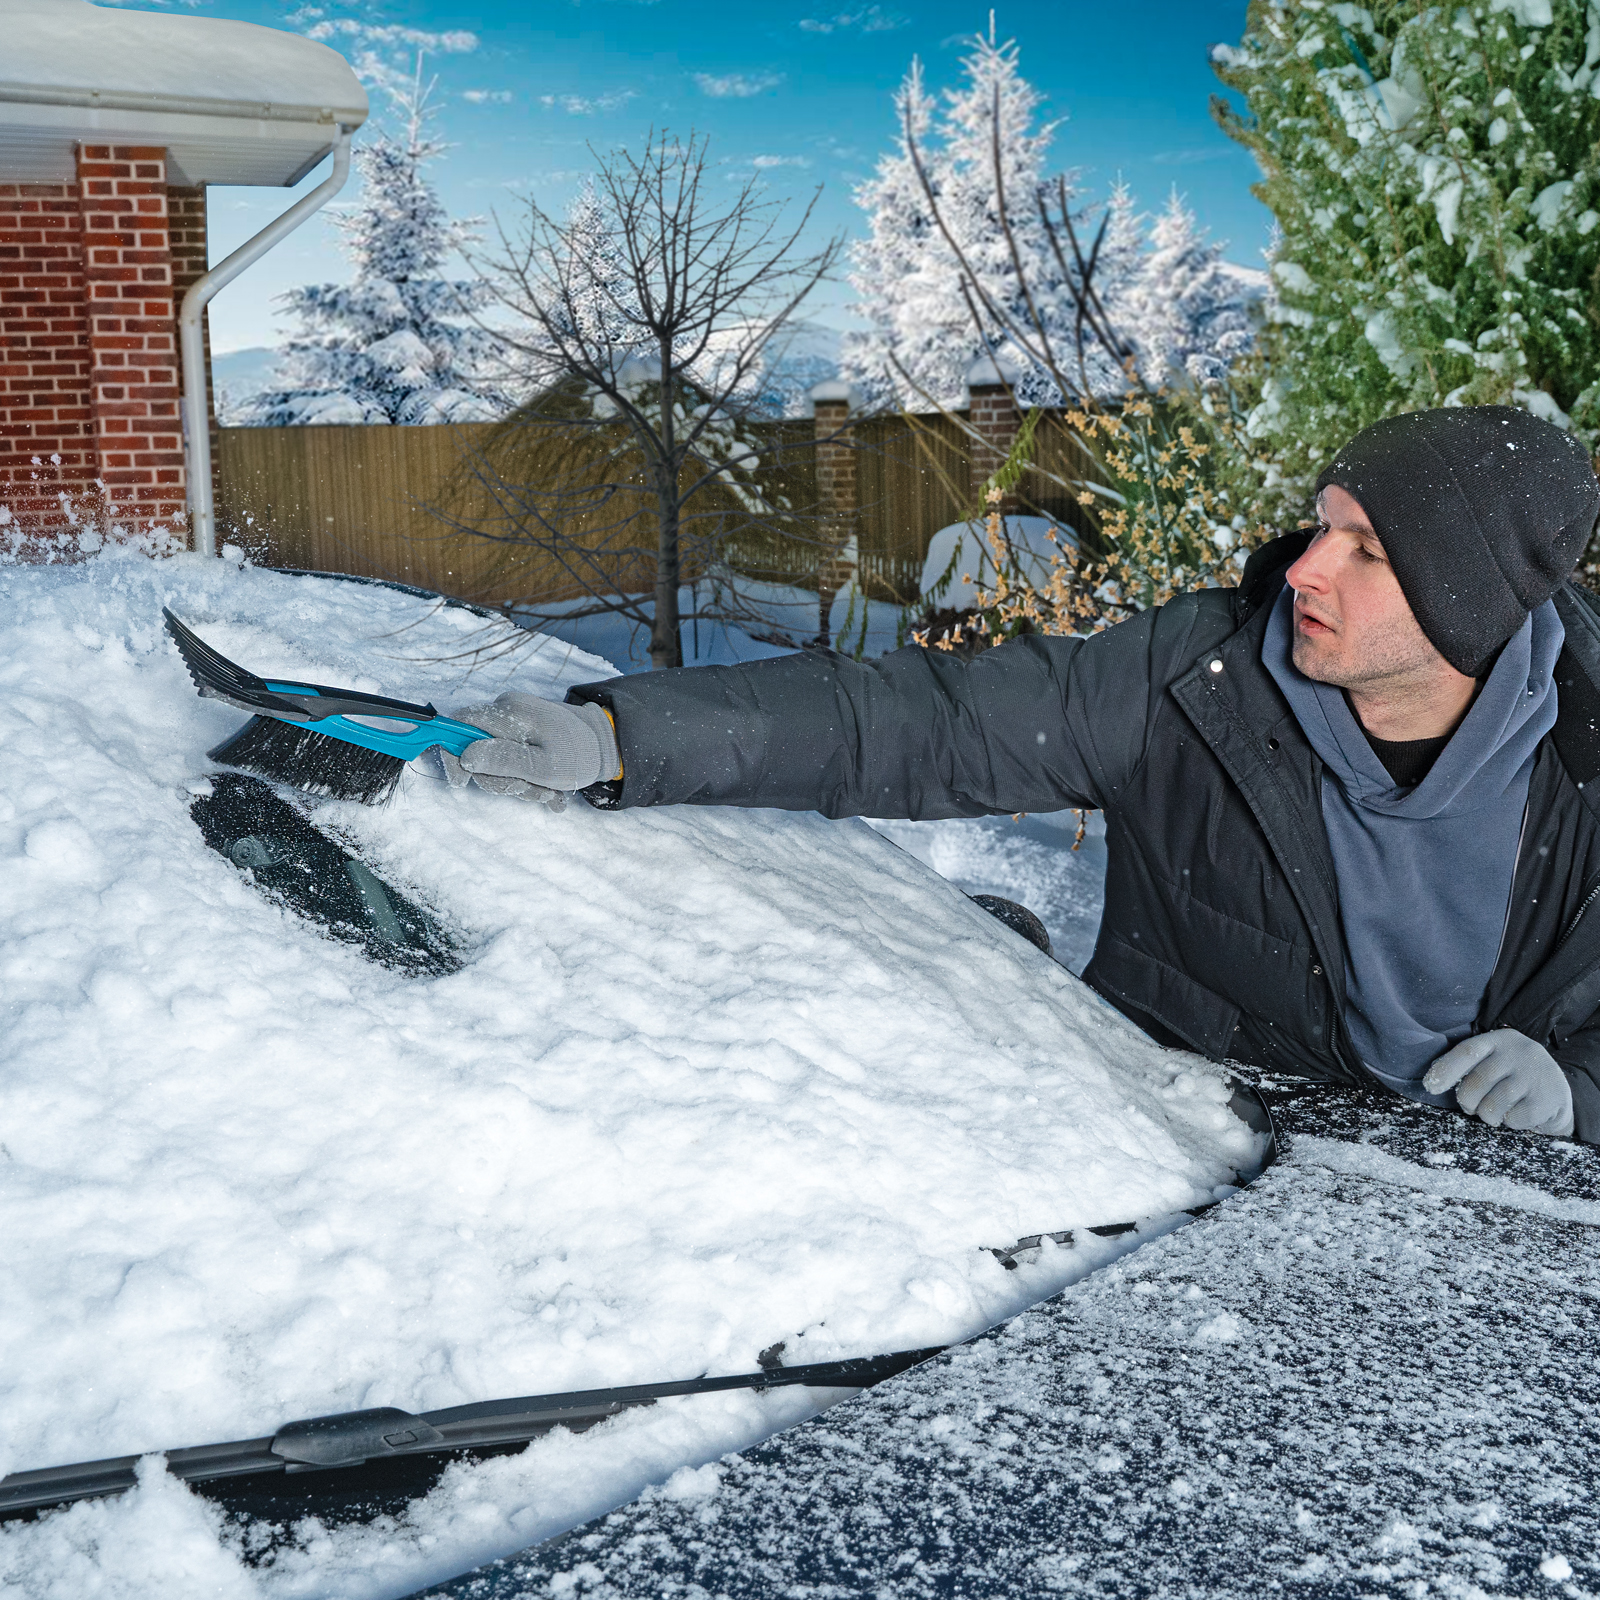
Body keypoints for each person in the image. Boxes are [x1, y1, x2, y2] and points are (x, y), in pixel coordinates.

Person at [440, 406, 1600, 1144]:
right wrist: (627, 737)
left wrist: (1577, 1088)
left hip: (1482, 1228)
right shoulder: (1198, 682)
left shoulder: (1585, 756)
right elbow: (921, 723)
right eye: (1320, 526)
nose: (1303, 568)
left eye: (1366, 550)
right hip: (1220, 1171)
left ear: (1465, 602)